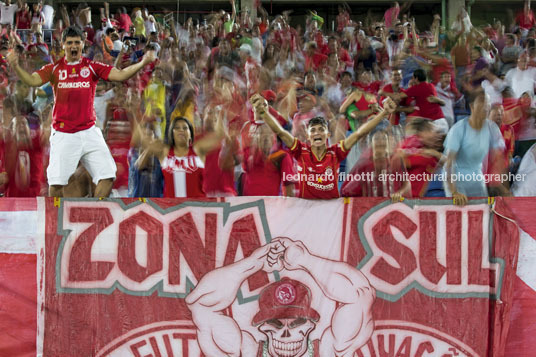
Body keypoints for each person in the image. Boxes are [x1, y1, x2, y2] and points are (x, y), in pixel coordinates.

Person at [6, 25, 157, 197]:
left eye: (77, 42)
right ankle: (57, 220)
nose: (73, 46)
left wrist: (143, 62)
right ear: (63, 45)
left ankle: (95, 215)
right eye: (69, 43)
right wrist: (16, 67)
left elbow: (120, 75)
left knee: (107, 177)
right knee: (56, 185)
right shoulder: (54, 69)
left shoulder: (92, 67)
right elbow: (32, 80)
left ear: (83, 44)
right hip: (64, 133)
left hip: (89, 131)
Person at [186, 237, 375, 356]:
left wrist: (305, 260)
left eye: (296, 324)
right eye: (275, 324)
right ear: (263, 327)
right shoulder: (247, 351)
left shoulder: (328, 349)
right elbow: (200, 304)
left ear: (310, 325)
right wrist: (252, 263)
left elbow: (361, 295)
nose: (285, 335)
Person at [251, 93, 397, 199]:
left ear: (328, 135)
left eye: (321, 129)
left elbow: (359, 133)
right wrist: (264, 113)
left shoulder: (336, 152)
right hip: (305, 212)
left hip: (331, 213)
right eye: (313, 130)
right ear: (308, 136)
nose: (317, 133)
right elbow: (280, 132)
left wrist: (384, 113)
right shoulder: (301, 151)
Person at [444, 91, 507, 205]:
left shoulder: (491, 128)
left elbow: (499, 158)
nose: (486, 106)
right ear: (472, 106)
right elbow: (448, 164)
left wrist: (504, 188)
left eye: (488, 102)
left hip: (476, 176)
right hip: (456, 178)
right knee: (460, 213)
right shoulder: (458, 129)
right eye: (482, 102)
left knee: (483, 211)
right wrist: (454, 192)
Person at [138, 115, 225, 198]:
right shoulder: (164, 151)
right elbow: (142, 147)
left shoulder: (198, 149)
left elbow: (219, 136)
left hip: (197, 208)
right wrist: (143, 119)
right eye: (177, 128)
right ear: (172, 133)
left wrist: (222, 112)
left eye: (185, 128)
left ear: (190, 134)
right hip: (172, 209)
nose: (181, 130)